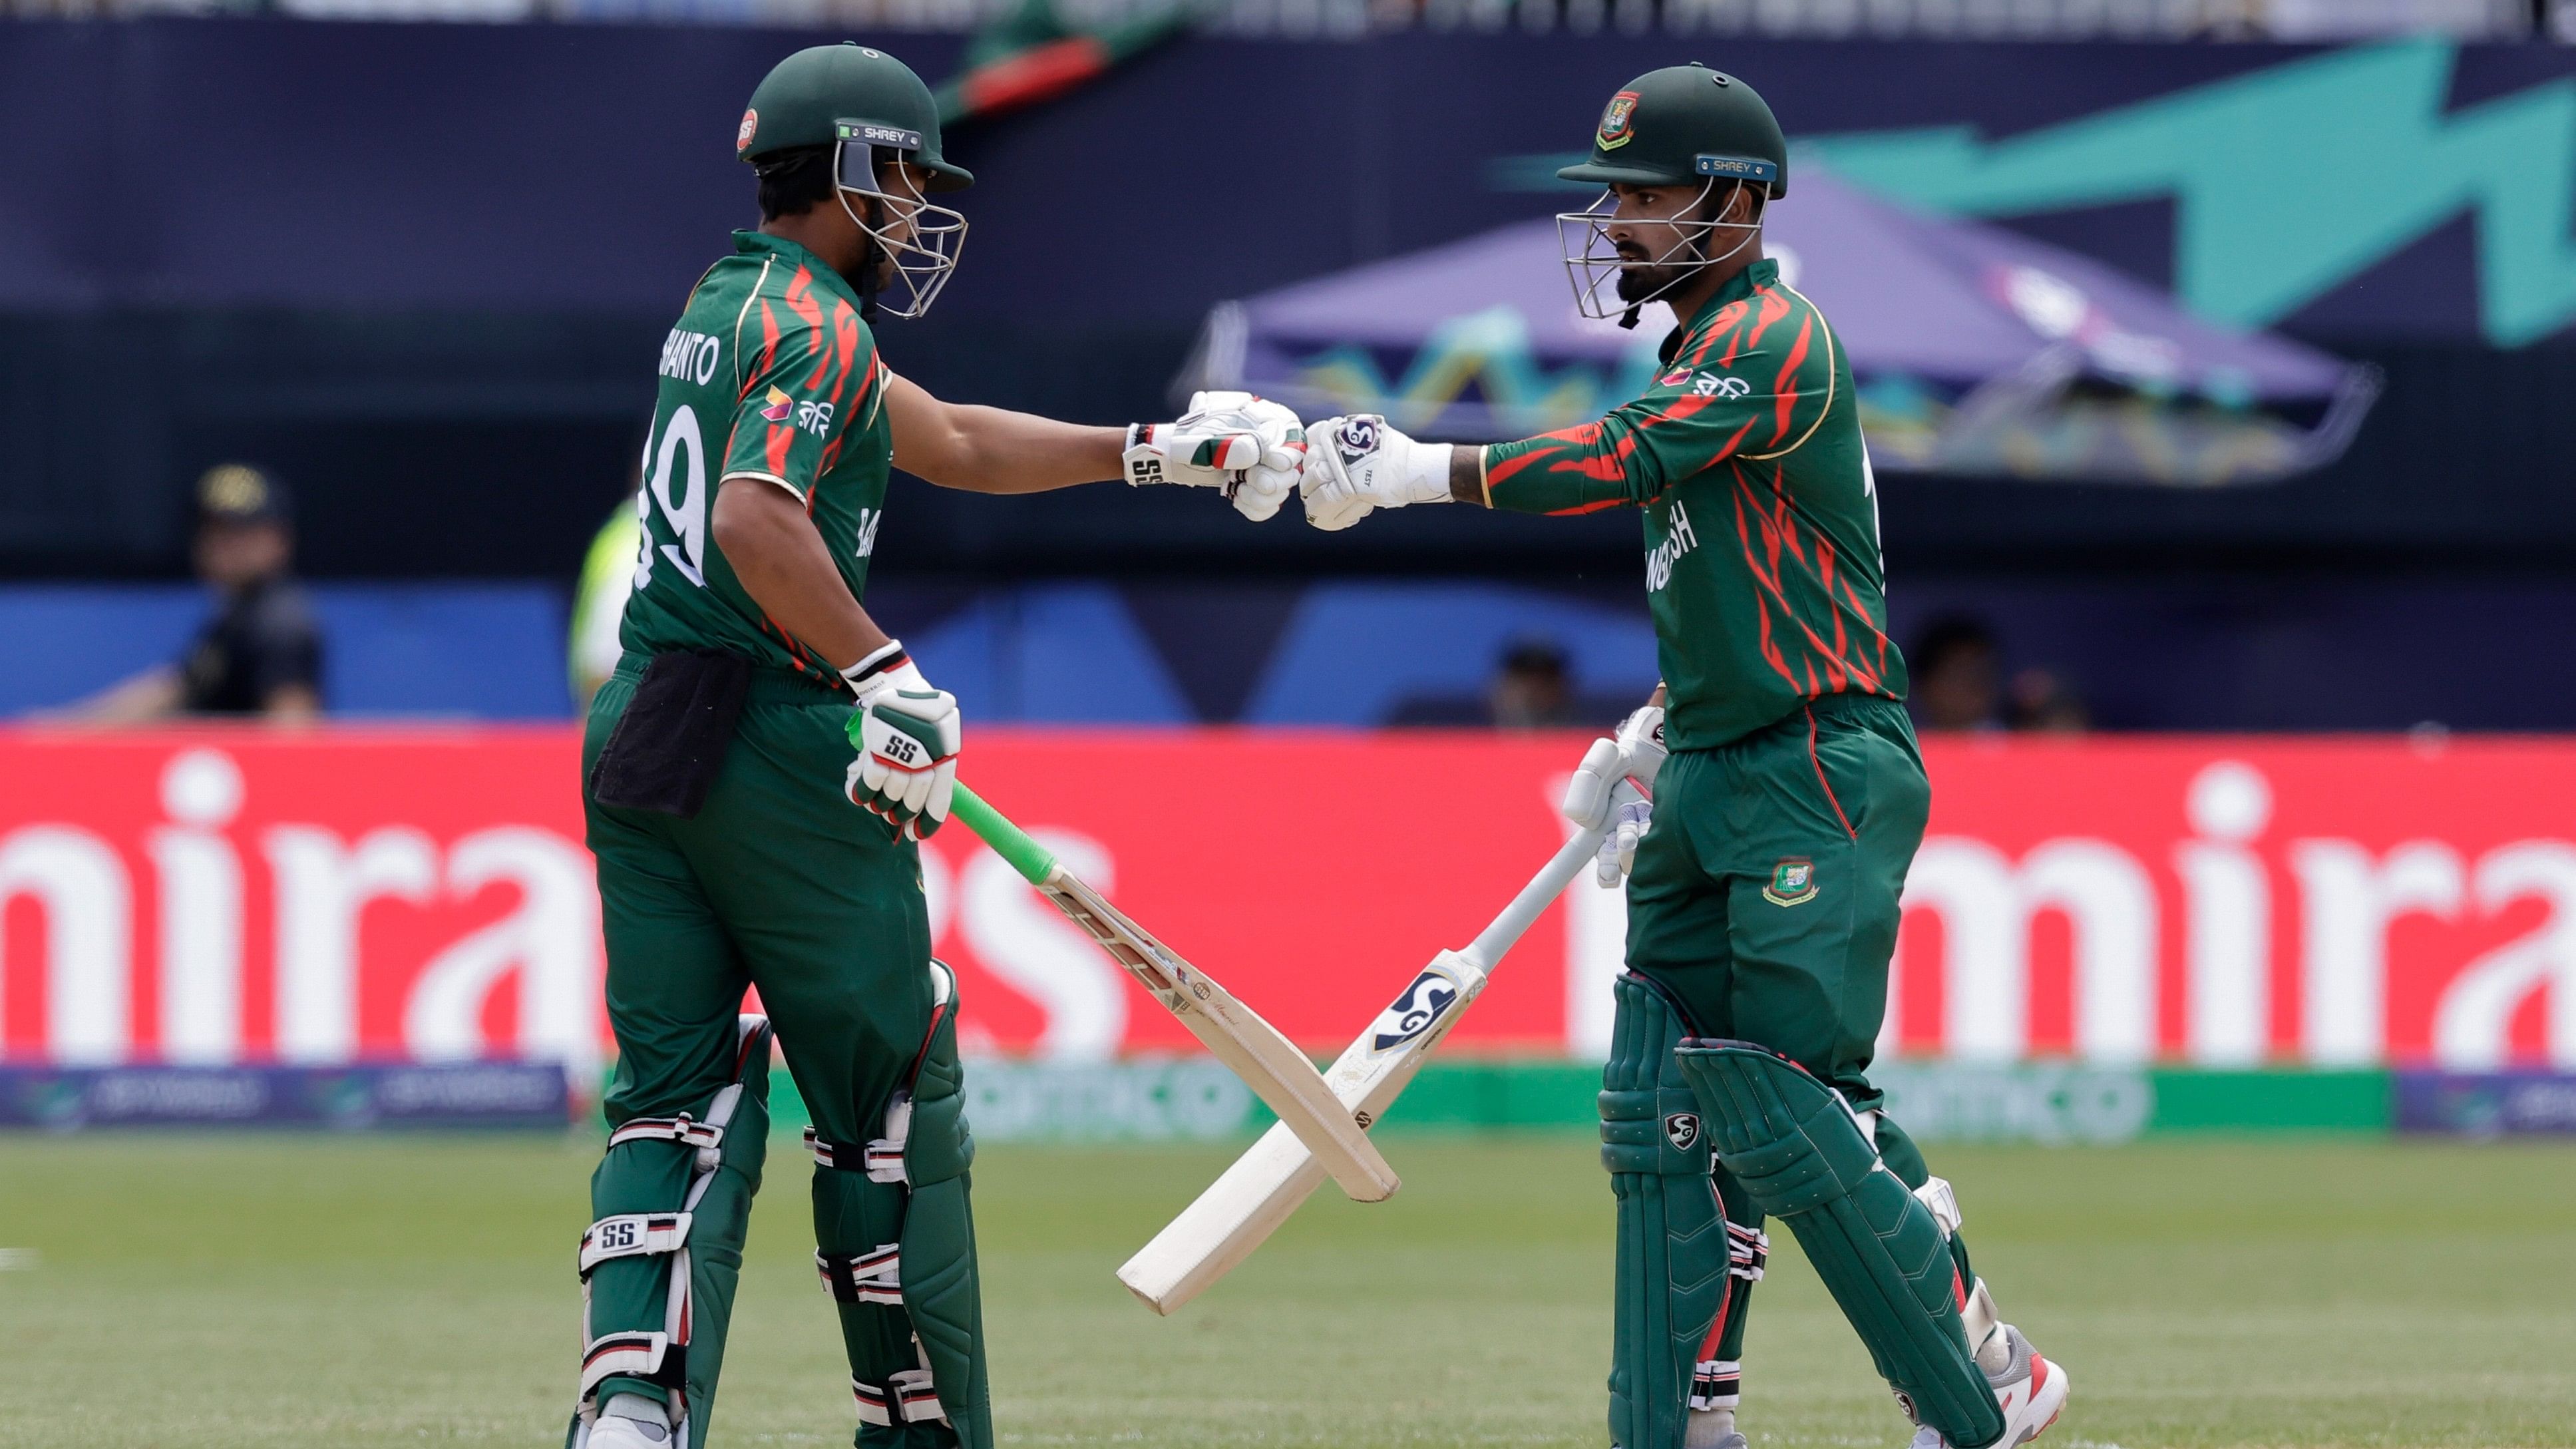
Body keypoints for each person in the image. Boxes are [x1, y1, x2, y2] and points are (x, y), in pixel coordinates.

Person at [1296, 65, 2068, 1449]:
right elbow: (1744, 580)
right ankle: (1683, 1418)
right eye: (1621, 200)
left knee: (1785, 1098)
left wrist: (1415, 470)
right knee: (1662, 1103)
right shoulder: (1699, 353)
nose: (1623, 225)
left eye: (1651, 199)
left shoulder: (1772, 338)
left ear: (1737, 200)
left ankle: (1984, 1374)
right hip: (1715, 758)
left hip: (1818, 760)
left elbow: (1619, 459)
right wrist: (1655, 724)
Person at [570, 43, 1304, 1449]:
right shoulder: (817, 328)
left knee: (669, 1097)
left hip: (648, 729)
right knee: (890, 1098)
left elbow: (953, 437)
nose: (917, 209)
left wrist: (1159, 448)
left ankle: (628, 1415)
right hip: (773, 736)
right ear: (850, 169)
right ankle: (919, 1424)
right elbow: (752, 517)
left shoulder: (728, 303)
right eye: (906, 177)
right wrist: (885, 670)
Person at [53, 463, 322, 723]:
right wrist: (67, 730)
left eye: (242, 531)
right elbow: (176, 689)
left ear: (280, 541)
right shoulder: (236, 617)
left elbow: (292, 732)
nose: (224, 544)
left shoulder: (282, 624)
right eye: (213, 529)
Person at [1908, 616, 2002, 733]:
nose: (1974, 684)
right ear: (1926, 684)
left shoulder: (2013, 743)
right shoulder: (1903, 745)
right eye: (1959, 674)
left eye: (1981, 673)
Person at [1489, 637, 1576, 728]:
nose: (1535, 690)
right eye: (1524, 679)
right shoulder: (1475, 726)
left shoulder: (1586, 730)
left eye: (1546, 681)